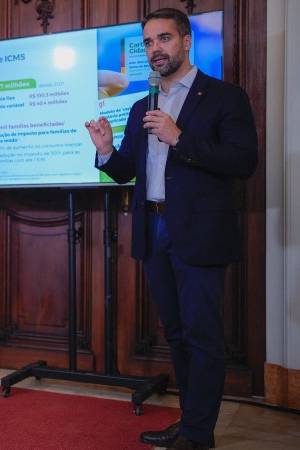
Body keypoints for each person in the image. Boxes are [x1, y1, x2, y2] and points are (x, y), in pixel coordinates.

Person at [84, 8, 257, 450]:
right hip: (154, 230)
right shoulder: (144, 104)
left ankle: (199, 435)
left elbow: (243, 162)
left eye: (163, 39)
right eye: (147, 43)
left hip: (200, 233)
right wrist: (105, 152)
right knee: (176, 334)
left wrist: (180, 137)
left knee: (202, 336)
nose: (154, 49)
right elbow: (127, 172)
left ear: (185, 41)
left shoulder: (224, 96)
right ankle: (190, 420)